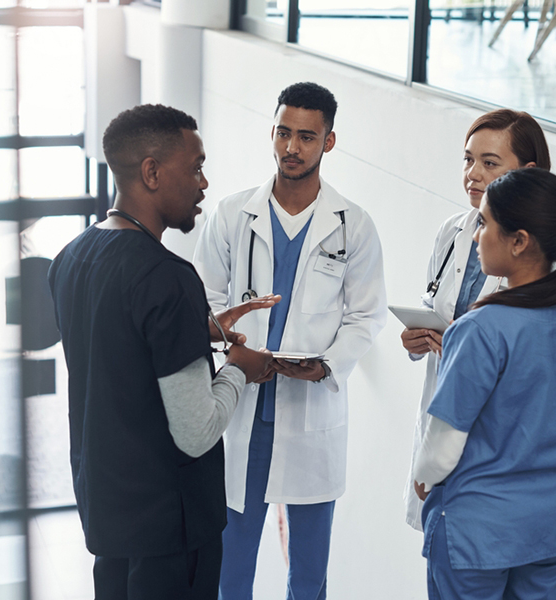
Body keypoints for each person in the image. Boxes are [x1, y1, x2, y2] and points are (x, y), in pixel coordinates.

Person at [48, 103, 278, 600]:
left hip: (109, 518)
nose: (204, 184)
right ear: (151, 172)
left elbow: (119, 353)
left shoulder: (70, 259)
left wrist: (203, 330)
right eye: (195, 167)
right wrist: (240, 368)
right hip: (169, 536)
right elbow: (196, 431)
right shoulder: (168, 277)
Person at [193, 82, 387, 599]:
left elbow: (366, 317)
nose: (291, 147)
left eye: (306, 136)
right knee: (229, 569)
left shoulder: (354, 226)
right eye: (283, 133)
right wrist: (228, 338)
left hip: (309, 416)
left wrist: (326, 366)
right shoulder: (233, 214)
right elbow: (205, 299)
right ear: (272, 133)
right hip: (242, 415)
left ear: (329, 142)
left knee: (307, 575)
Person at [412, 168, 556, 599]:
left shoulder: (482, 328)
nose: (477, 235)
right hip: (550, 526)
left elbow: (443, 445)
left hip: (478, 530)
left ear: (519, 241)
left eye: (484, 223)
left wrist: (424, 477)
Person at [401, 109, 552, 530]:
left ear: (528, 170)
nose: (472, 173)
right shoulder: (453, 231)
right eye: (468, 160)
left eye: (489, 163)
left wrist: (466, 349)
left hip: (492, 457)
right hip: (444, 432)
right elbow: (436, 301)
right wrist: (419, 338)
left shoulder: (540, 259)